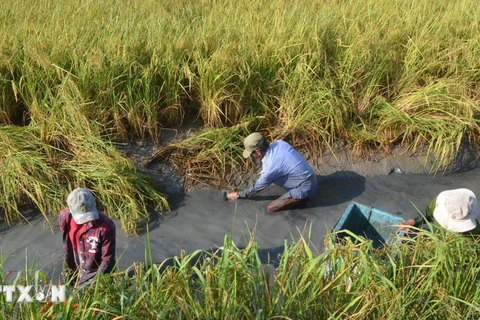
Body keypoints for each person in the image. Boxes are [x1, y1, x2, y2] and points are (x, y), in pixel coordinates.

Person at [226, 132, 317, 213]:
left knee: (271, 209)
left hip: (305, 187)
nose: (251, 157)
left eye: (251, 154)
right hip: (310, 175)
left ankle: (301, 198)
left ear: (257, 152)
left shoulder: (270, 168)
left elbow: (257, 187)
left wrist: (238, 194)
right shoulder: (280, 143)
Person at [58, 187, 116, 286]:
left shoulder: (106, 226)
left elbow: (107, 260)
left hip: (94, 273)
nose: (87, 221)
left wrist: (95, 283)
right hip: (72, 265)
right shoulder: (64, 218)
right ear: (70, 210)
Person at [397, 188, 480, 236]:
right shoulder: (445, 202)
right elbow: (429, 211)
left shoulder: (473, 234)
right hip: (438, 236)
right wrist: (413, 220)